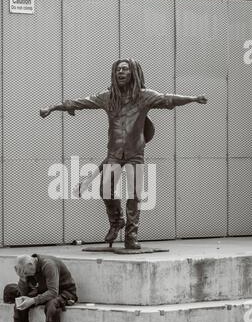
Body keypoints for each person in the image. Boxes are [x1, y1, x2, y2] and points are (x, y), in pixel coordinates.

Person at [40, 58, 207, 249]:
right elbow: (81, 103)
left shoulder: (145, 96)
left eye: (125, 69)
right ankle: (117, 221)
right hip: (114, 152)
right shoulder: (107, 97)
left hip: (135, 153)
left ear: (133, 73)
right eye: (118, 69)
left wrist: (193, 99)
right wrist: (53, 108)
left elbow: (168, 98)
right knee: (105, 190)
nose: (121, 72)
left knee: (134, 195)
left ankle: (131, 237)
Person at [3, 254, 78, 322]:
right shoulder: (28, 268)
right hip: (42, 290)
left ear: (31, 264)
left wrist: (33, 300)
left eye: (25, 273)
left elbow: (53, 292)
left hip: (64, 291)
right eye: (23, 274)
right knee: (20, 301)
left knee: (52, 305)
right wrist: (23, 279)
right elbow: (24, 293)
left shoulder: (48, 265)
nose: (26, 275)